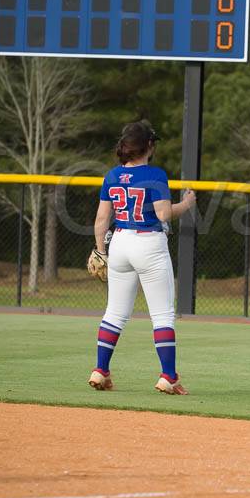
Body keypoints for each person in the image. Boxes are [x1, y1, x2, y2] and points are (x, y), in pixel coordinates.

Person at [88, 121, 197, 395]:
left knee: (114, 313)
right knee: (162, 315)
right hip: (148, 243)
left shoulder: (112, 175)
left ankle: (100, 371)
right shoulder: (155, 174)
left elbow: (102, 219)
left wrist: (101, 249)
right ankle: (168, 377)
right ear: (148, 146)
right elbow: (162, 214)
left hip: (120, 243)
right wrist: (186, 204)